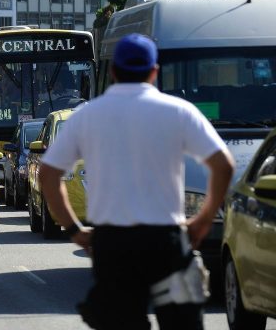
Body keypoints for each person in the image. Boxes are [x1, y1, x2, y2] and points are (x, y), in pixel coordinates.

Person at [38, 33, 234, 330]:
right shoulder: (178, 111)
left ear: (114, 71)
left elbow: (48, 174)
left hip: (112, 245)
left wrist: (73, 229)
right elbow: (223, 166)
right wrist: (203, 220)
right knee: (183, 323)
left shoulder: (87, 116)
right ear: (154, 71)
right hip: (166, 242)